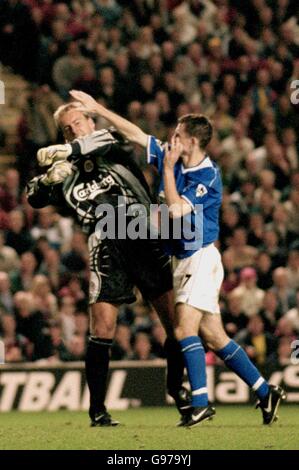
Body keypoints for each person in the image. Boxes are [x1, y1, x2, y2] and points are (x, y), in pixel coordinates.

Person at [69, 89, 287, 427]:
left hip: (199, 257)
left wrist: (167, 170)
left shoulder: (205, 176)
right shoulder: (176, 158)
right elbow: (136, 134)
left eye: (177, 136)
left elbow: (174, 210)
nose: (170, 139)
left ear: (193, 142)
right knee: (214, 336)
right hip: (183, 259)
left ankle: (199, 402)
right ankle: (264, 391)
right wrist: (99, 109)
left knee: (185, 329)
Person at [26, 101, 189, 427]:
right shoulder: (67, 172)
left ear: (90, 121)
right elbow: (34, 197)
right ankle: (98, 411)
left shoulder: (109, 142)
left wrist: (64, 149)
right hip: (105, 244)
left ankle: (176, 389)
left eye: (78, 123)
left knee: (176, 325)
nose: (75, 130)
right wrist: (46, 182)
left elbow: (100, 140)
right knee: (102, 328)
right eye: (67, 128)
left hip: (144, 234)